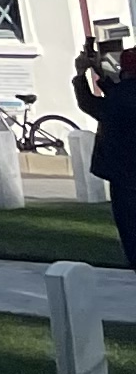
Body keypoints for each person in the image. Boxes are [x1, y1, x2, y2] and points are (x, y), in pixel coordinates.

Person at [76, 29, 136, 269]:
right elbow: (118, 91)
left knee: (131, 231)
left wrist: (81, 75)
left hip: (125, 176)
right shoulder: (121, 94)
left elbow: (89, 104)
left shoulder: (120, 98)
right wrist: (98, 71)